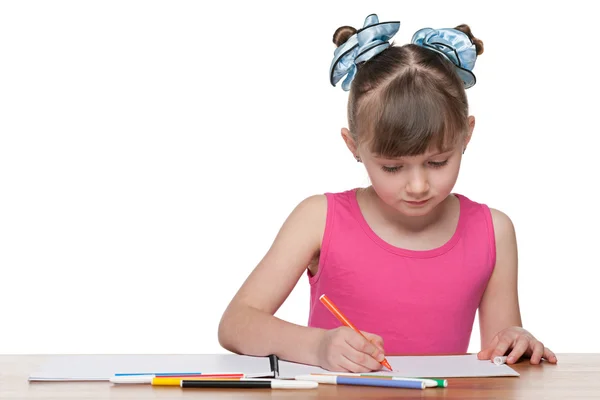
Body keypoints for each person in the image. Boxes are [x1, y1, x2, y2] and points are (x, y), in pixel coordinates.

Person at [218, 14, 557, 373]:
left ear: (466, 136)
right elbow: (237, 323)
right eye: (393, 168)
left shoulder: (493, 230)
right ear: (354, 146)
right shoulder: (319, 219)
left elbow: (500, 353)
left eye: (438, 162)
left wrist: (517, 339)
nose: (417, 186)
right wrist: (317, 347)